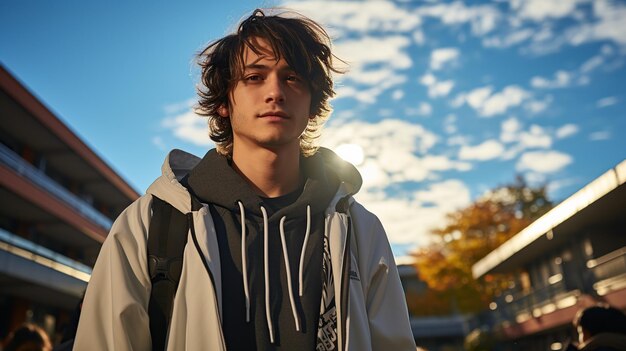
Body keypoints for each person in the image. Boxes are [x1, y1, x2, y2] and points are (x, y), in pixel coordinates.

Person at [74, 8, 416, 351]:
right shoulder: (151, 225)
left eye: (293, 77)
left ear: (313, 102)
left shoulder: (360, 229)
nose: (275, 92)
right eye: (255, 77)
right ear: (224, 101)